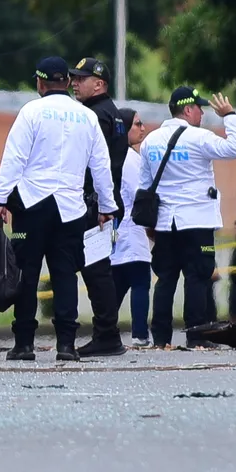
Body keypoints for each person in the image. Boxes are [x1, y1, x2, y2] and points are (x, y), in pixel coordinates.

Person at [0, 56, 117, 362]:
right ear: (66, 83)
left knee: (26, 275)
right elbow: (101, 164)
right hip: (71, 210)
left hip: (32, 206)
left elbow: (14, 157)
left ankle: (23, 345)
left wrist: (0, 198)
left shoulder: (31, 112)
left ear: (40, 82)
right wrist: (106, 205)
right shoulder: (86, 117)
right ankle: (66, 345)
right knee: (65, 276)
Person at [139, 86, 236, 349]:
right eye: (199, 108)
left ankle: (161, 339)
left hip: (164, 223)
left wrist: (149, 225)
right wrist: (229, 115)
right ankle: (196, 336)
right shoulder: (199, 138)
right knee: (197, 278)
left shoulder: (150, 140)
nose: (202, 114)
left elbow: (145, 185)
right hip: (197, 221)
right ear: (187, 110)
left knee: (165, 280)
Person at [69, 57, 129, 357]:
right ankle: (106, 333)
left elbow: (96, 165)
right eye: (73, 78)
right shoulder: (111, 114)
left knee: (96, 271)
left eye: (81, 79)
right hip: (102, 204)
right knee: (97, 270)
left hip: (93, 205)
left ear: (100, 84)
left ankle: (107, 334)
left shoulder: (95, 116)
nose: (75, 83)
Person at [110, 108, 152, 347]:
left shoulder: (112, 156)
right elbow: (140, 194)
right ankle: (139, 334)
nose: (143, 128)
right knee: (139, 282)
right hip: (133, 230)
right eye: (137, 124)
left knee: (115, 287)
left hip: (116, 233)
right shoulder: (131, 160)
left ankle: (104, 329)